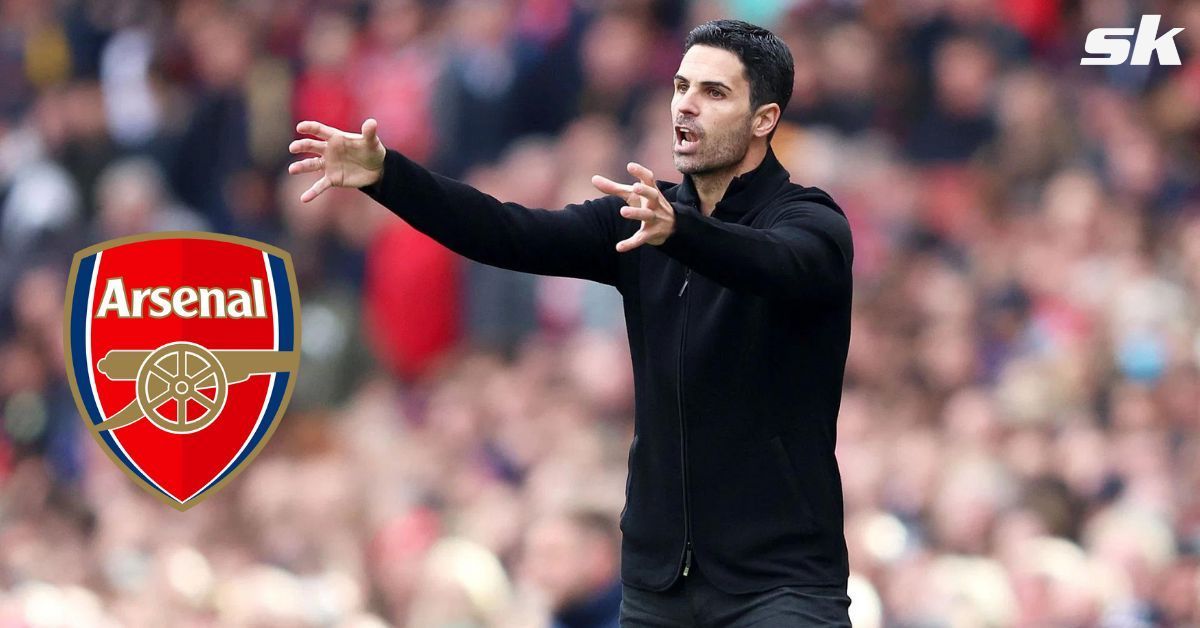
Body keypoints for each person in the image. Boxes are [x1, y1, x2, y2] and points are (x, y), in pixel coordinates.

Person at [289, 19, 854, 627]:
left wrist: (683, 233)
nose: (686, 105)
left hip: (782, 585)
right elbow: (506, 232)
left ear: (764, 118)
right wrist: (387, 176)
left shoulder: (809, 222)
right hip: (659, 583)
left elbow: (777, 264)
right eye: (680, 86)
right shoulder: (642, 218)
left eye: (714, 93)